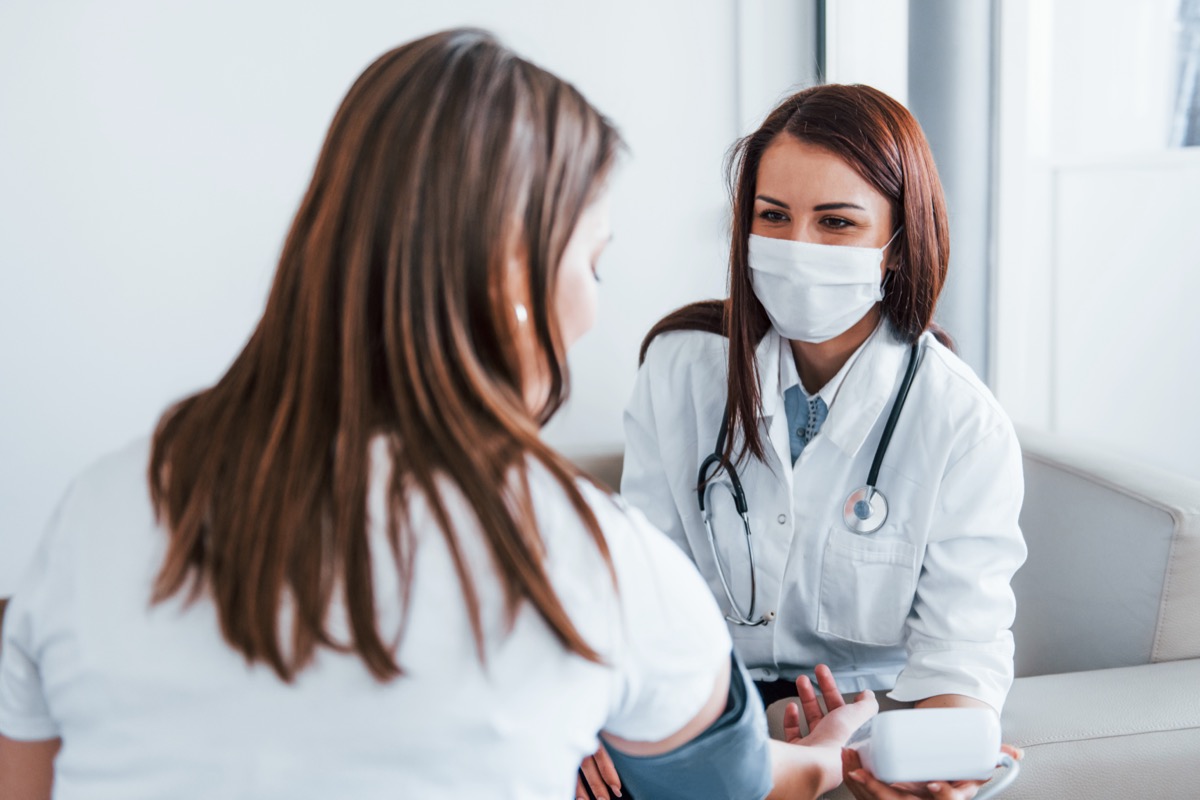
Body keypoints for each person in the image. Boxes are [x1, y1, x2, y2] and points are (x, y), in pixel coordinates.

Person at [0, 29, 878, 800]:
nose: (592, 310)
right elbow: (727, 787)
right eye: (594, 266)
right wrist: (829, 757)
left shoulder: (100, 508)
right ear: (513, 277)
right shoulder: (589, 562)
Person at [614, 84, 1027, 799]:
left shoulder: (962, 424)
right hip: (701, 721)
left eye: (836, 223)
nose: (796, 249)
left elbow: (961, 654)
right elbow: (639, 596)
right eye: (773, 217)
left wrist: (935, 761)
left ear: (898, 245)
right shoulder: (679, 367)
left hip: (864, 733)